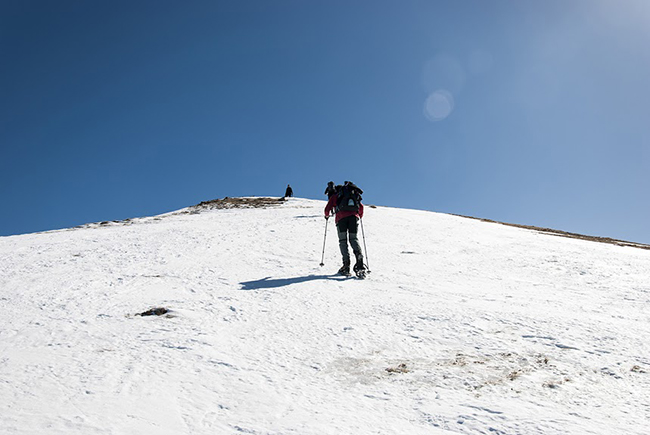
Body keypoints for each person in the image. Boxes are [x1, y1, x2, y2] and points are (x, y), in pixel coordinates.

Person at [324, 181, 365, 276]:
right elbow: (361, 207)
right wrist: (359, 216)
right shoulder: (353, 194)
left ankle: (346, 266)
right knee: (353, 239)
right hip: (353, 218)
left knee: (343, 241)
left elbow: (327, 208)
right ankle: (359, 261)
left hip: (341, 218)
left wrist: (327, 216)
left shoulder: (336, 195)